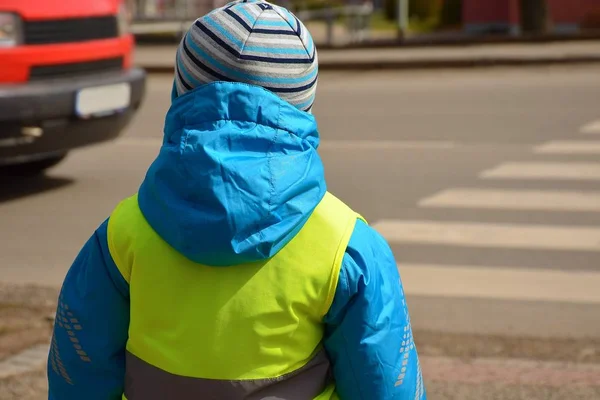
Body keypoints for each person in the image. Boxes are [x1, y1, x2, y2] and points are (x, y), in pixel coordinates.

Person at [47, 1, 426, 399]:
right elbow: (386, 385)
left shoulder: (122, 236)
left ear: (182, 95)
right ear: (301, 106)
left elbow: (78, 374)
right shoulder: (346, 248)